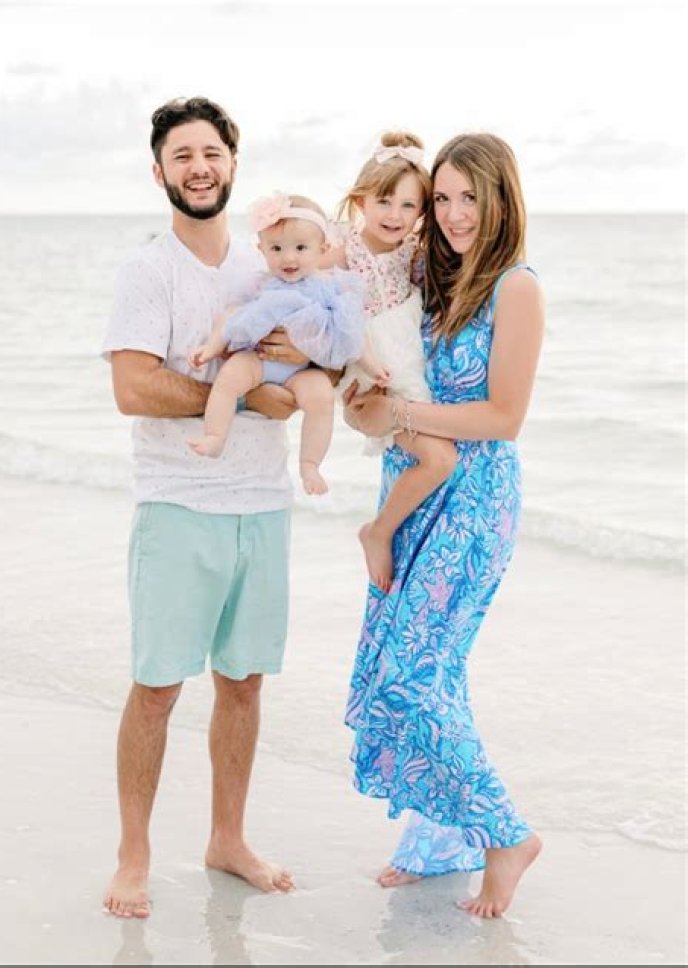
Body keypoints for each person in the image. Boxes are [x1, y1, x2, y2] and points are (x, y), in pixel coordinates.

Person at [101, 96, 305, 918]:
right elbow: (133, 386)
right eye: (182, 155)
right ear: (159, 173)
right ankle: (134, 855)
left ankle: (227, 839)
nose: (199, 167)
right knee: (157, 688)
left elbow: (305, 359)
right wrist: (242, 397)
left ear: (233, 164)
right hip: (178, 503)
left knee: (244, 683)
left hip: (264, 502)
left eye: (211, 153)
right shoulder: (149, 271)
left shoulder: (268, 266)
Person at [343, 132, 545, 918]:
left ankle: (506, 835)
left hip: (474, 501)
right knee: (434, 672)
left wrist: (398, 416)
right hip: (412, 491)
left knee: (411, 676)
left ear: (501, 200)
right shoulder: (433, 276)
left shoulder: (516, 288)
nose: (456, 214)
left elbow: (502, 417)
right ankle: (440, 841)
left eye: (471, 198)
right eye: (444, 199)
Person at [187, 192, 387, 495]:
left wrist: (373, 367)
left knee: (321, 397)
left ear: (323, 249)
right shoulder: (260, 284)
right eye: (276, 248)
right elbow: (230, 317)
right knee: (229, 378)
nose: (288, 258)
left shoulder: (331, 287)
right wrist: (211, 347)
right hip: (258, 360)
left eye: (301, 248)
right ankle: (215, 436)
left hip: (301, 371)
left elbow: (354, 333)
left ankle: (310, 464)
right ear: (262, 250)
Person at [327, 132, 458, 591]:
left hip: (406, 361)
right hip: (372, 370)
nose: (395, 215)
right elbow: (305, 292)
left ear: (421, 212)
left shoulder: (413, 255)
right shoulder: (342, 251)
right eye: (384, 201)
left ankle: (396, 530)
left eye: (408, 205)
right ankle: (378, 531)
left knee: (441, 453)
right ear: (361, 200)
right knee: (440, 458)